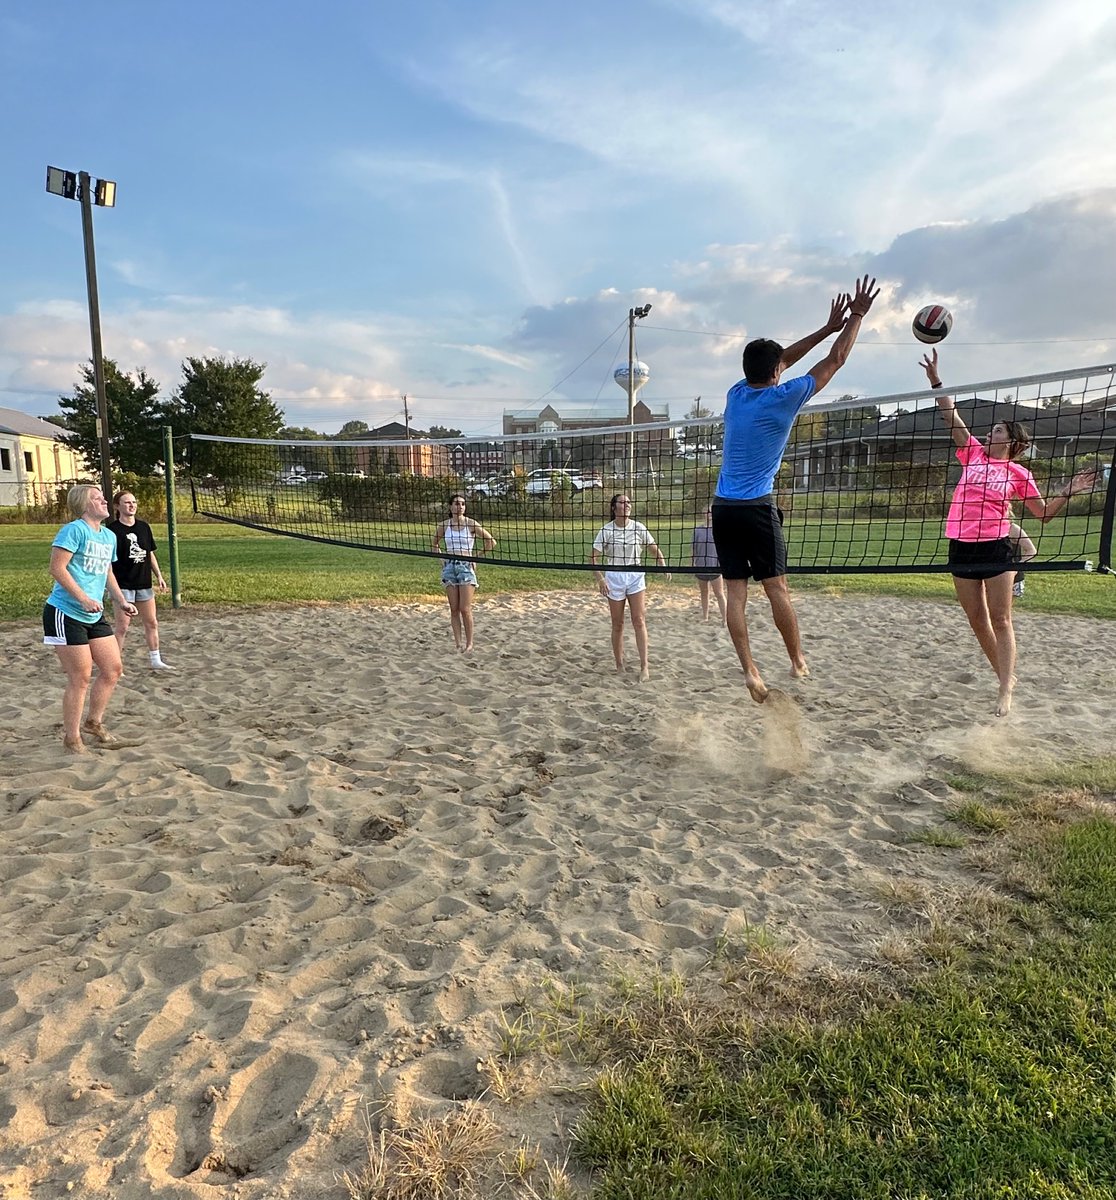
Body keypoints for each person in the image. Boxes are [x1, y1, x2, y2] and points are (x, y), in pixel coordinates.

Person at [712, 275, 880, 702]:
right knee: (776, 589)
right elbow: (836, 360)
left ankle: (749, 671)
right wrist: (855, 316)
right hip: (755, 508)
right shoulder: (783, 397)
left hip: (722, 508)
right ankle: (797, 660)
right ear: (775, 372)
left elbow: (780, 359)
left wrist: (826, 327)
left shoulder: (735, 393)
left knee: (735, 593)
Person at [922, 348, 1097, 715]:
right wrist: (936, 381)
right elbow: (950, 416)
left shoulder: (1019, 473)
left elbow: (1043, 514)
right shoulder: (972, 453)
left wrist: (1067, 491)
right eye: (991, 430)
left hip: (998, 548)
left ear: (1012, 442)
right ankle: (1005, 674)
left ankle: (1004, 689)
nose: (989, 433)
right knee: (976, 619)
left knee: (1001, 618)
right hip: (961, 547)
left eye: (997, 430)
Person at [43, 484, 138, 753]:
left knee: (112, 669)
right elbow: (56, 567)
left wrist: (121, 601)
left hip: (93, 613)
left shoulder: (107, 536)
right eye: (98, 498)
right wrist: (83, 597)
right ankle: (72, 738)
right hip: (65, 611)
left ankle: (93, 723)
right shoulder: (74, 530)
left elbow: (106, 571)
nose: (105, 501)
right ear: (85, 505)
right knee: (81, 676)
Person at [590, 493, 669, 682]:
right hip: (614, 577)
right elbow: (592, 557)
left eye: (628, 503)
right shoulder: (606, 530)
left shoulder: (638, 527)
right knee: (617, 624)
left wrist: (663, 563)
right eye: (622, 502)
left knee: (639, 620)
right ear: (613, 507)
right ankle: (619, 665)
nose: (626, 505)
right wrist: (600, 579)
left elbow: (653, 547)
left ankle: (644, 667)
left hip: (635, 575)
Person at [108, 491, 174, 670]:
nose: (131, 505)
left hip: (143, 583)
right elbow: (107, 563)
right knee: (122, 627)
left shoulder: (143, 527)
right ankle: (115, 666)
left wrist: (159, 576)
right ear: (117, 506)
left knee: (151, 622)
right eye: (127, 502)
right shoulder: (112, 531)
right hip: (123, 585)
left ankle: (155, 659)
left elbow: (149, 553)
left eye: (134, 502)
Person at [431, 493, 496, 652]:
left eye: (462, 504)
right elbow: (434, 544)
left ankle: (469, 644)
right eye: (456, 503)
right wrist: (442, 560)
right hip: (450, 567)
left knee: (465, 608)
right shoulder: (444, 525)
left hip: (466, 566)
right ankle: (458, 643)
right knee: (454, 608)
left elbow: (491, 541)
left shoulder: (471, 524)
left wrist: (476, 557)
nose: (459, 506)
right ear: (450, 507)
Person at [691, 504, 726, 624]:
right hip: (701, 566)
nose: (709, 514)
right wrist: (692, 564)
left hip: (715, 566)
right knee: (704, 592)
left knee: (719, 593)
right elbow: (694, 548)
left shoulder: (719, 529)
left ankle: (725, 619)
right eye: (707, 512)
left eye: (711, 512)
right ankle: (705, 617)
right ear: (703, 514)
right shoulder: (697, 530)